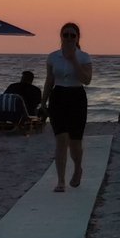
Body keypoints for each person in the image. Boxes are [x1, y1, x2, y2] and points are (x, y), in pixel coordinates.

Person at [45, 22, 94, 193]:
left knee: (75, 142)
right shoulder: (53, 57)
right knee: (61, 139)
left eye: (72, 35)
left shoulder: (84, 57)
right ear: (61, 36)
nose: (68, 38)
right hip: (58, 96)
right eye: (65, 35)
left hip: (76, 97)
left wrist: (73, 60)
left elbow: (86, 80)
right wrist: (43, 101)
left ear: (78, 37)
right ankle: (60, 181)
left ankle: (78, 168)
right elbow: (49, 80)